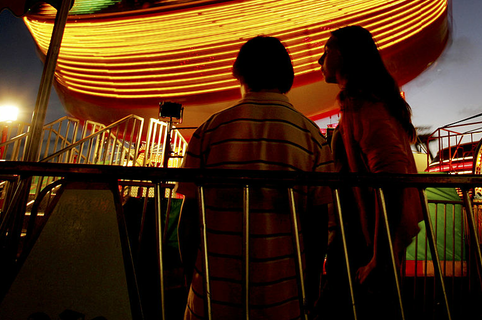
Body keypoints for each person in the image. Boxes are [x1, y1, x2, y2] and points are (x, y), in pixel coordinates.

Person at [175, 36, 333, 320]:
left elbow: (187, 223)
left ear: (238, 71)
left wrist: (193, 280)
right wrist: (309, 287)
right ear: (288, 76)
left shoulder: (209, 131)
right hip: (282, 300)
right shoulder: (311, 138)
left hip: (212, 299)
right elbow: (317, 226)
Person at [315, 25, 423, 318]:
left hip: (360, 241)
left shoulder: (364, 107)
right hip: (361, 237)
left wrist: (379, 255)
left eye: (326, 49)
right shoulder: (366, 103)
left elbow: (391, 176)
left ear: (344, 55)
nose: (318, 59)